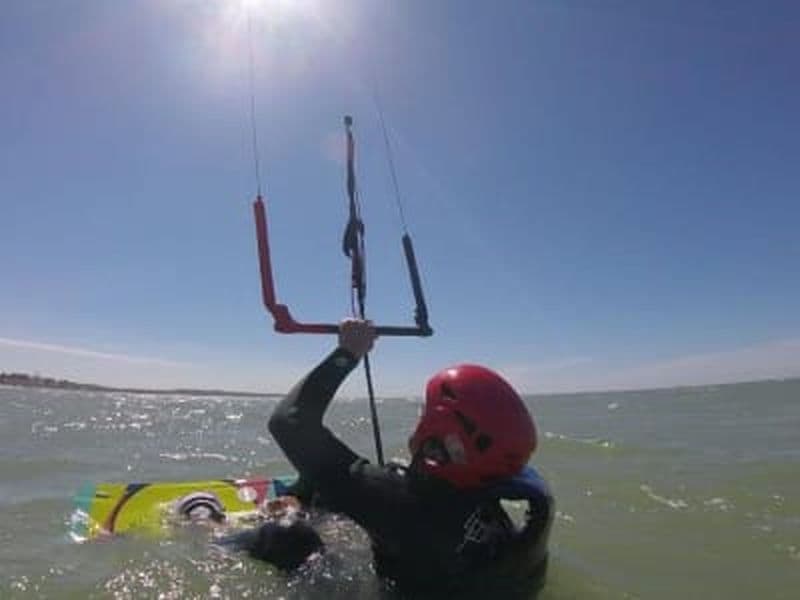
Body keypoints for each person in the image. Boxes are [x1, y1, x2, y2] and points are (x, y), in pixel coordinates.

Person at [268, 318, 554, 595]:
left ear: (446, 440)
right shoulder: (522, 490)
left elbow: (288, 423)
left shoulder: (400, 502)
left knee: (287, 535)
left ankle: (252, 524)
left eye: (425, 412)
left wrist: (348, 352)